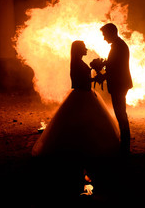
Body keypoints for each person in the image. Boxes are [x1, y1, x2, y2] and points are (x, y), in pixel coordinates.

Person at [32, 40, 120, 158]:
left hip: (84, 93)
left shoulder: (78, 62)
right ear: (79, 50)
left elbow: (83, 79)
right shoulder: (77, 63)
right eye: (84, 47)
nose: (86, 49)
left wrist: (96, 74)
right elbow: (80, 81)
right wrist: (97, 78)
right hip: (82, 94)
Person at [100, 23, 133, 155]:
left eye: (104, 35)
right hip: (120, 84)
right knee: (121, 114)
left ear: (111, 33)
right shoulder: (119, 45)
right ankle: (124, 145)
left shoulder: (118, 47)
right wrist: (104, 64)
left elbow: (115, 68)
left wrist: (102, 75)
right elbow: (113, 65)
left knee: (121, 115)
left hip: (119, 84)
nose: (104, 38)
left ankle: (125, 147)